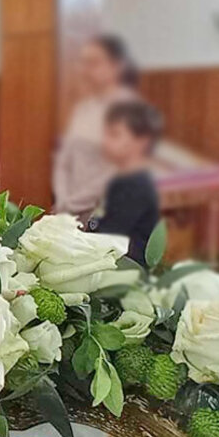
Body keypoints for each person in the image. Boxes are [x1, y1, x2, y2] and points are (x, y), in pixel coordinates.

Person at [53, 35, 138, 221]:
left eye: (94, 63)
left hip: (102, 212)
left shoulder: (128, 108)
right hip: (68, 210)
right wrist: (62, 200)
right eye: (83, 63)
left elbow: (118, 170)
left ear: (117, 66)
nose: (85, 70)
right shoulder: (83, 108)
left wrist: (73, 203)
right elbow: (64, 161)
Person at [87, 101, 163, 265]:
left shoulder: (136, 187)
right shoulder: (121, 179)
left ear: (141, 141)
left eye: (114, 134)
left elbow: (109, 239)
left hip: (125, 269)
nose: (105, 141)